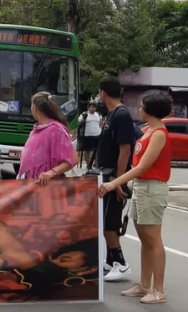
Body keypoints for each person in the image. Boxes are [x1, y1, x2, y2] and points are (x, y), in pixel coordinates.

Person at [99, 90, 173, 304]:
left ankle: (159, 290)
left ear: (150, 109)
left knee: (153, 240)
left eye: (141, 105)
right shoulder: (148, 130)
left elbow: (143, 166)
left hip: (153, 188)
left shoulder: (159, 133)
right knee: (144, 239)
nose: (138, 108)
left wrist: (115, 182)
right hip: (141, 187)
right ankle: (144, 284)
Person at [95, 76, 135, 282]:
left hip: (114, 176)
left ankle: (121, 263)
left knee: (111, 222)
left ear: (102, 92)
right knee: (104, 221)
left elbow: (125, 151)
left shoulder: (121, 115)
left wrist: (118, 181)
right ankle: (111, 261)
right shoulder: (111, 114)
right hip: (106, 175)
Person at [19, 92, 77, 184]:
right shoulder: (36, 130)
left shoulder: (56, 130)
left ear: (35, 108)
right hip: (33, 186)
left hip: (48, 188)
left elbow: (73, 159)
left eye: (31, 105)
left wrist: (51, 172)